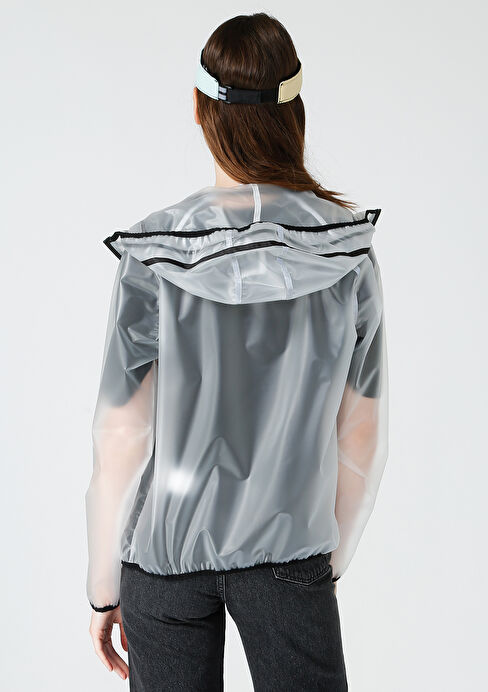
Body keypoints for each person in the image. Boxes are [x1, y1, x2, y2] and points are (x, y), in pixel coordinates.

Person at [85, 12, 389, 692]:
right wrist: (321, 564)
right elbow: (361, 435)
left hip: (163, 552)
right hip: (289, 552)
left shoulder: (155, 254)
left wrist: (103, 586)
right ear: (294, 111)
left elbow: (120, 435)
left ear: (199, 108)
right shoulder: (346, 254)